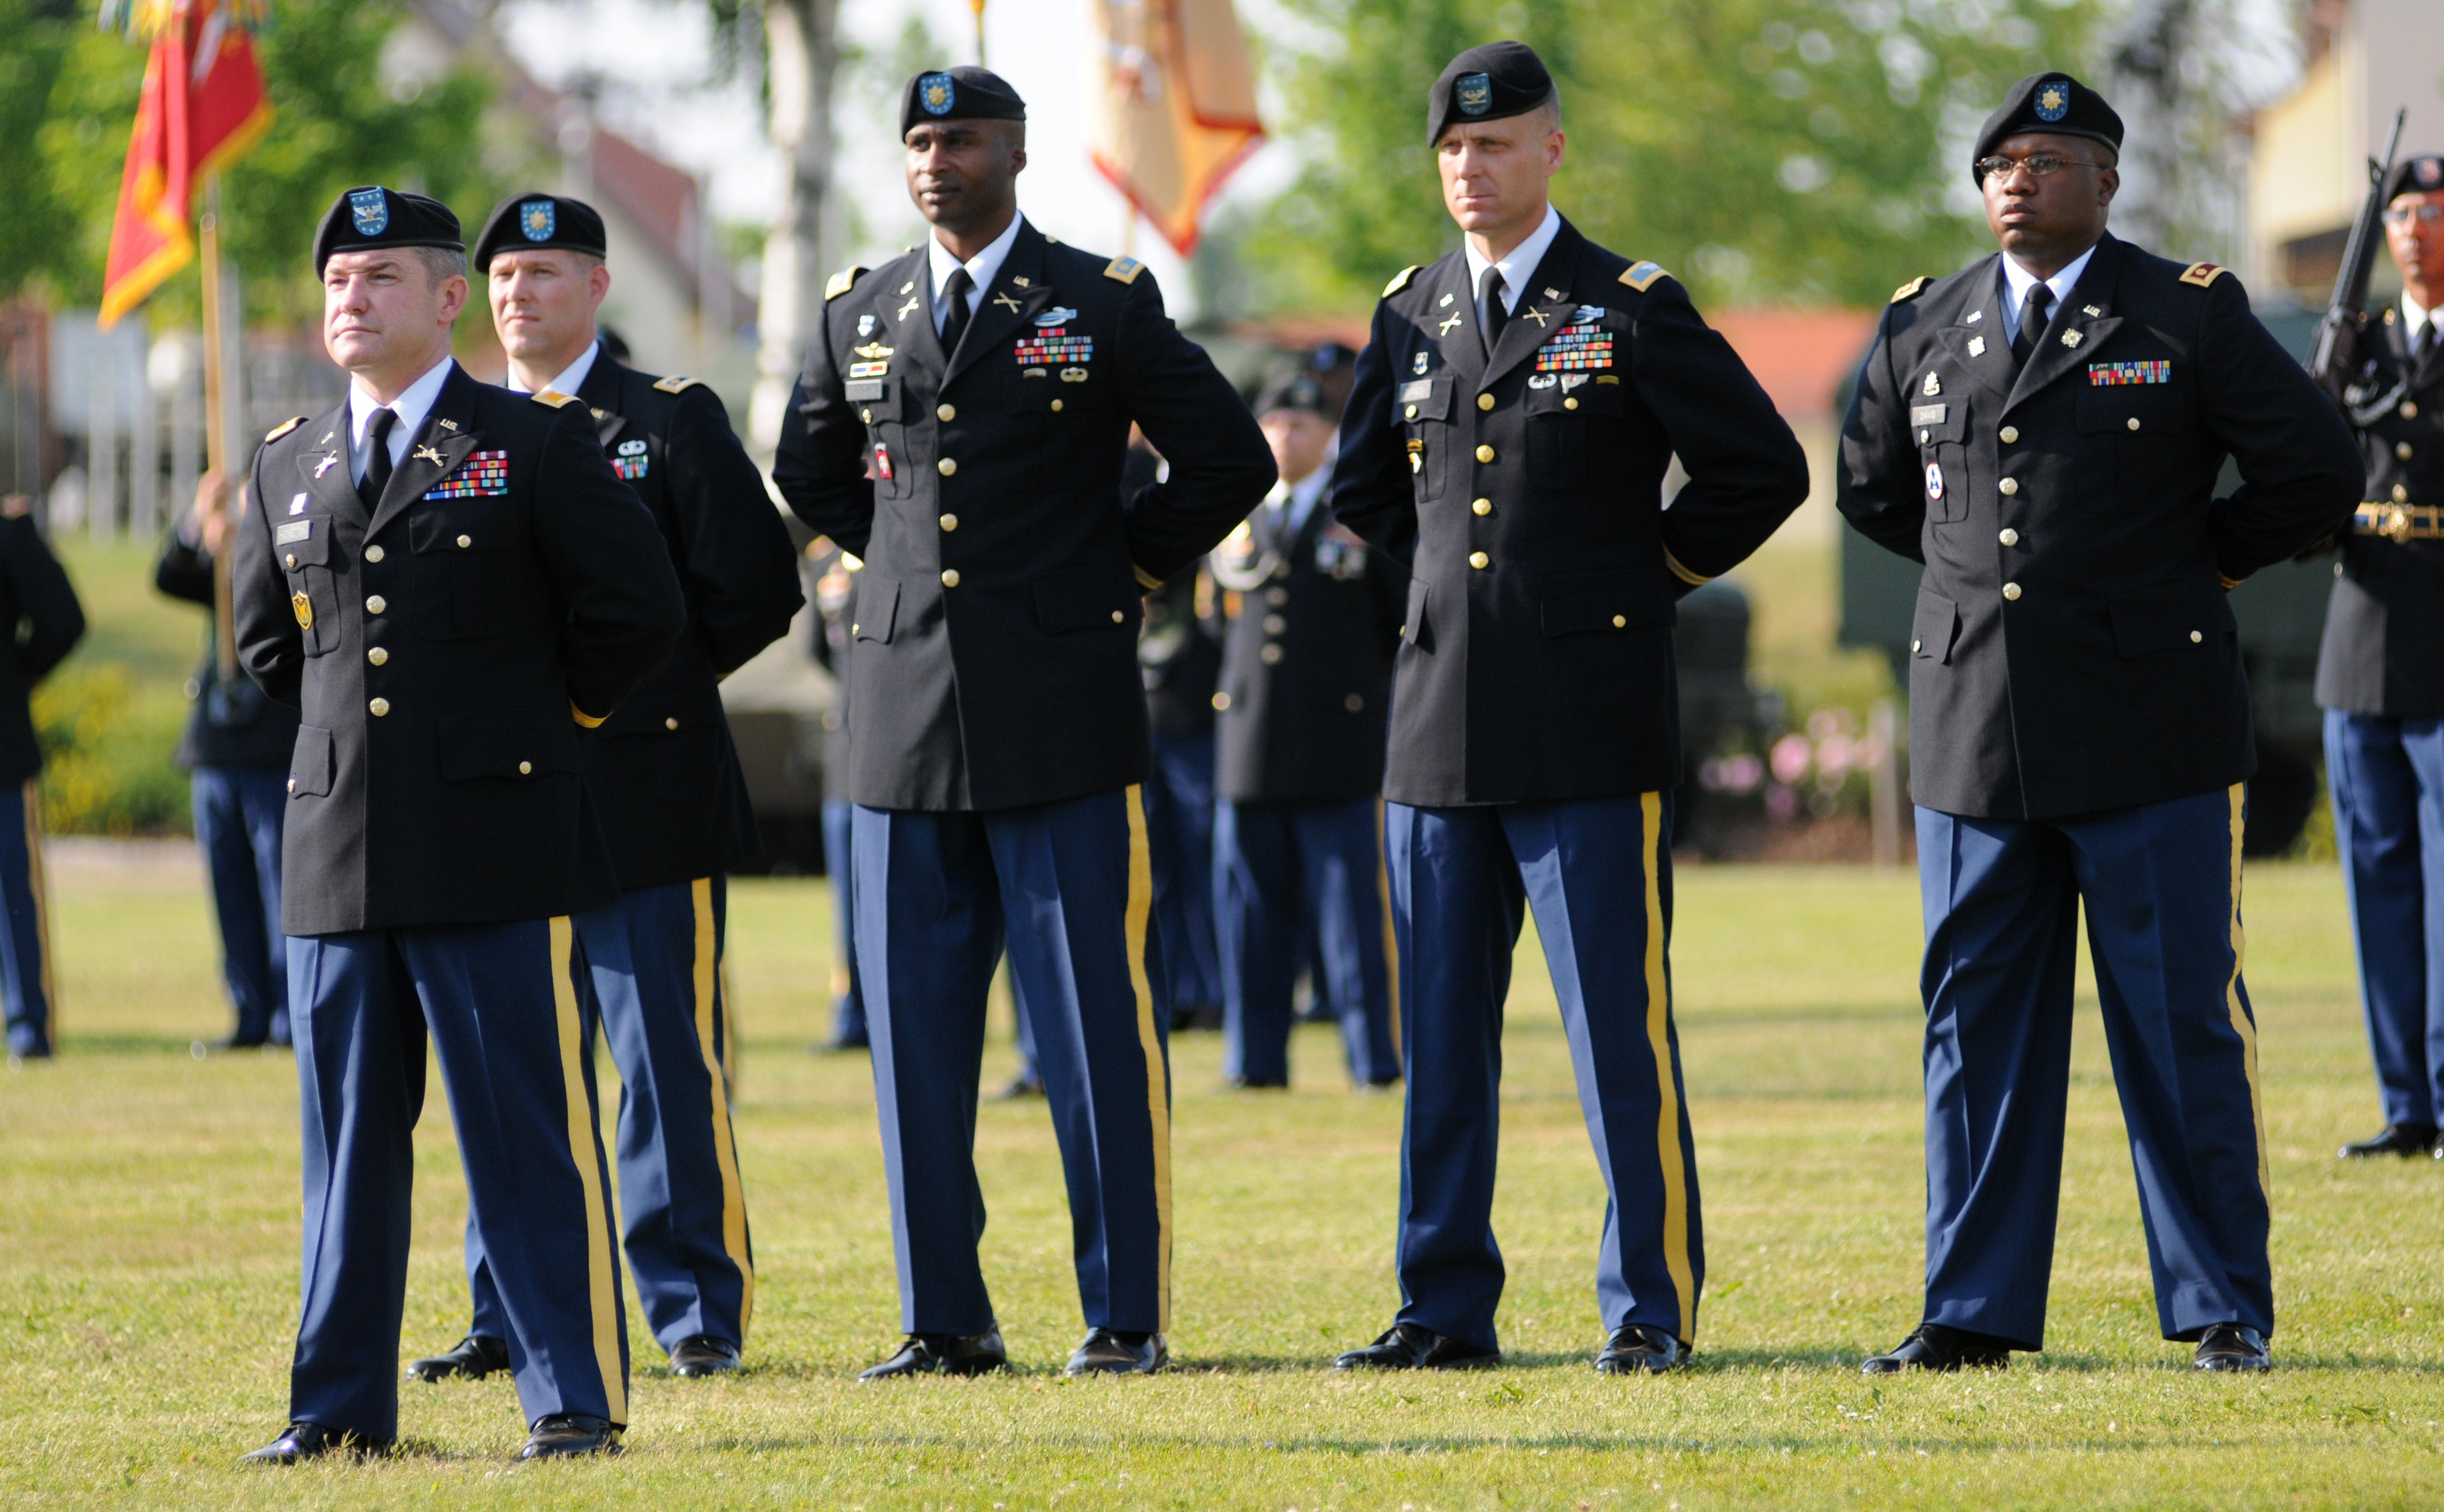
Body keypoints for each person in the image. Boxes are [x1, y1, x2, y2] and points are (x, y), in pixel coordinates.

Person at [1837, 74, 2363, 1376]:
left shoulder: (2180, 313)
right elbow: (1867, 487)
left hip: (2151, 733)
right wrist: (1973, 593)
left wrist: (2206, 567)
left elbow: (2316, 466)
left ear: (2107, 181)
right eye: (2001, 162)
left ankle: (2218, 1305)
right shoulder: (1927, 322)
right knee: (1974, 1033)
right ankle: (1968, 1310)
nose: (2019, 179)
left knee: (2180, 1026)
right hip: (1976, 734)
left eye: (2051, 159)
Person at [772, 64, 1274, 1379]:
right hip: (900, 724)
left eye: (966, 140)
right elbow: (808, 468)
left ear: (1018, 151)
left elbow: (1229, 456)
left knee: (1093, 1037)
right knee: (915, 1049)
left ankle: (1124, 1317)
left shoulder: (1098, 302)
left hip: (1058, 717)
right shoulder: (858, 311)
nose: (939, 162)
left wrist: (1120, 569)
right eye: (921, 141)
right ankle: (946, 1322)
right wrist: (885, 579)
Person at [1325, 42, 1808, 1376]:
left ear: (1553, 150)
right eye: (1453, 151)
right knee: (1442, 1047)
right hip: (1436, 733)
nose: (1471, 170)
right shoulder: (1410, 308)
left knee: (1616, 1035)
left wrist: (1641, 577)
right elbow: (1365, 489)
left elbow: (1760, 468)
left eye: (1497, 145)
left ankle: (1648, 1306)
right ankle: (1442, 1305)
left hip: (1591, 727)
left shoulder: (1628, 304)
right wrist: (1434, 596)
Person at [232, 186, 685, 1463]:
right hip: (338, 853)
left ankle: (570, 1401)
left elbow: (635, 614)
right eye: (335, 282)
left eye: (378, 278)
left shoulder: (529, 443)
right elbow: (272, 647)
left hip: (493, 846)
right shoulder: (289, 459)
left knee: (523, 1138)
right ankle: (334, 1412)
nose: (350, 302)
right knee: (345, 1153)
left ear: (445, 300)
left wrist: (527, 734)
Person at [402, 192, 800, 1388]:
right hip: (501, 800)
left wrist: (642, 695)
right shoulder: (451, 430)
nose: (521, 294)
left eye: (546, 273)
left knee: (659, 1057)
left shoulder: (665, 421)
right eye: (505, 277)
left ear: (598, 288)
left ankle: (691, 1311)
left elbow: (750, 589)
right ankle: (509, 1305)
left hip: (644, 788)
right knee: (513, 1061)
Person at [1209, 366, 1404, 1090]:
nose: (1287, 436)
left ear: (1330, 435)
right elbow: (1212, 623)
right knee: (1250, 917)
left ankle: (1372, 1061)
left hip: (1337, 747)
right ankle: (1254, 1062)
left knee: (1351, 917)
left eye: (1302, 425)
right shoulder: (1240, 516)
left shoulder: (1358, 510)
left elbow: (1399, 622)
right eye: (1276, 424)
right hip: (1249, 746)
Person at [2317, 152, 2444, 1161]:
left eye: (2433, 211)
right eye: (2401, 212)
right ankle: (2406, 1104)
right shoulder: (2356, 345)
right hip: (2360, 632)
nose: (2415, 228)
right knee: (2378, 879)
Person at [157, 472, 301, 1051]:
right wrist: (198, 525)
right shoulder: (218, 568)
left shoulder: (288, 554)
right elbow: (170, 576)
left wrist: (247, 548)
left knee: (281, 888)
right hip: (217, 747)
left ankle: (290, 1017)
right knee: (230, 888)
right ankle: (247, 1011)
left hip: (274, 745)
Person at [1135, 436, 1228, 1036]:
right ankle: (1170, 992)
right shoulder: (1129, 477)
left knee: (1205, 861)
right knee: (1155, 868)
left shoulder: (1213, 483)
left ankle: (1214, 992)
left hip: (1198, 709)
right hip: (1142, 709)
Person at [0, 492, 80, 1063]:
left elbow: (63, 619)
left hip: (1, 751)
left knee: (13, 898)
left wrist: (17, 678)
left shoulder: (9, 535)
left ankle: (28, 1023)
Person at [808, 537, 870, 1053]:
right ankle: (850, 1014)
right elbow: (817, 649)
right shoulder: (824, 558)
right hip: (845, 753)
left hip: (895, 746)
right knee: (846, 906)